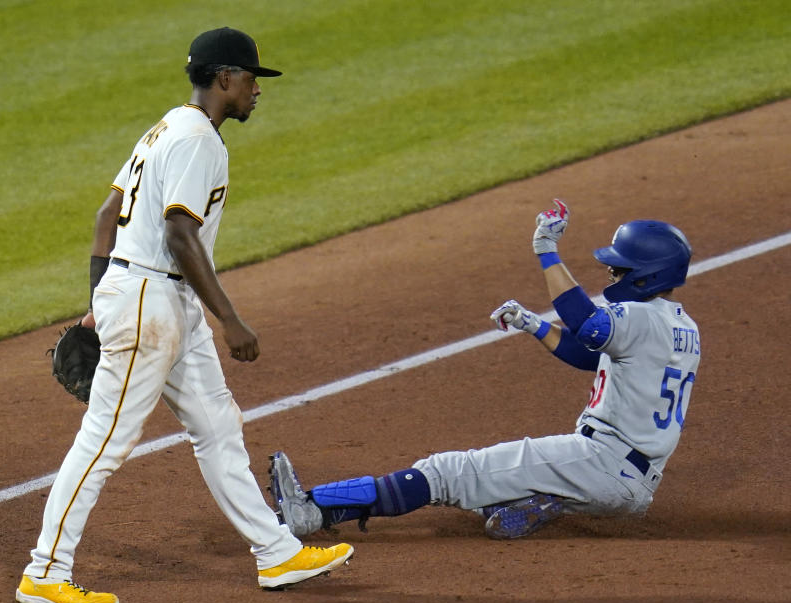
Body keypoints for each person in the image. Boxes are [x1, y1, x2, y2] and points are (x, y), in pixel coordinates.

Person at [15, 27, 352, 603]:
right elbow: (179, 232)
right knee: (104, 442)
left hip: (155, 298)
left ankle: (275, 551)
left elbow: (106, 215)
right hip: (154, 298)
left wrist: (103, 299)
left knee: (218, 424)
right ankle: (45, 571)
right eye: (250, 79)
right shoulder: (199, 141)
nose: (255, 90)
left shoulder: (165, 126)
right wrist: (232, 320)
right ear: (224, 78)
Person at [268, 200, 700, 541]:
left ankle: (312, 509)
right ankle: (542, 502)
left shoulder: (639, 318)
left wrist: (547, 252)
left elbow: (587, 324)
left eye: (620, 267)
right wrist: (535, 324)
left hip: (599, 462)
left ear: (647, 274)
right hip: (633, 487)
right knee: (484, 487)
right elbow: (592, 356)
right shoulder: (683, 327)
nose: (611, 270)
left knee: (448, 472)